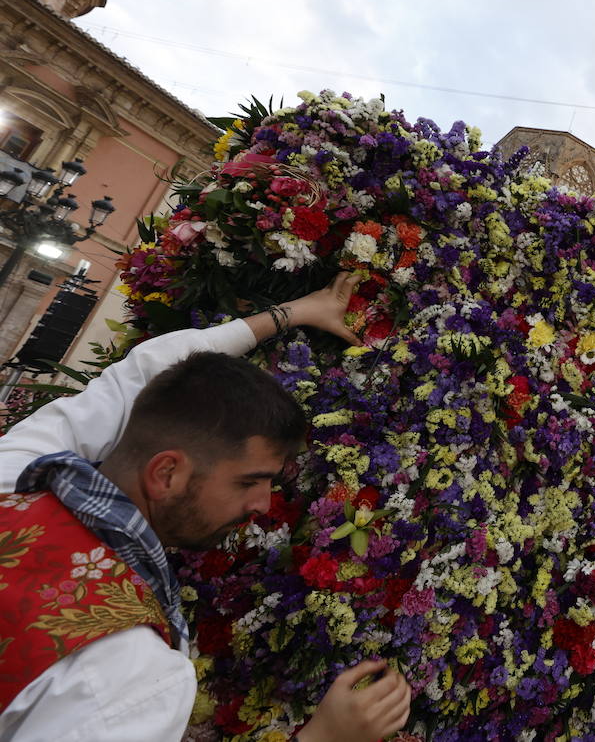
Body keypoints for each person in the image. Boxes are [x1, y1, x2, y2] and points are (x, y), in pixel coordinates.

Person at [0, 272, 410, 741]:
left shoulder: (12, 477)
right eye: (249, 481)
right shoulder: (126, 674)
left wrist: (295, 312)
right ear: (166, 474)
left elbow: (140, 375)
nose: (262, 504)